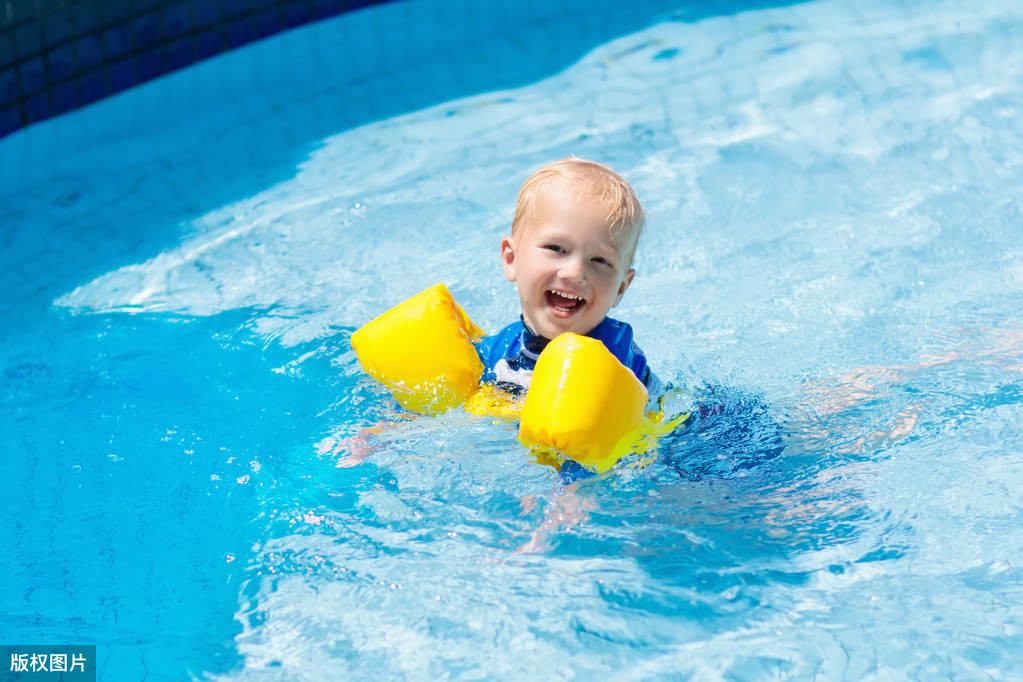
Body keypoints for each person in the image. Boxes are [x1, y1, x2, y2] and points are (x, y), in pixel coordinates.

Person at [474, 157, 661, 399]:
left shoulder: (621, 363)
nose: (574, 272)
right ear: (511, 259)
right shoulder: (494, 352)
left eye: (600, 261)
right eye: (556, 248)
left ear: (621, 288)